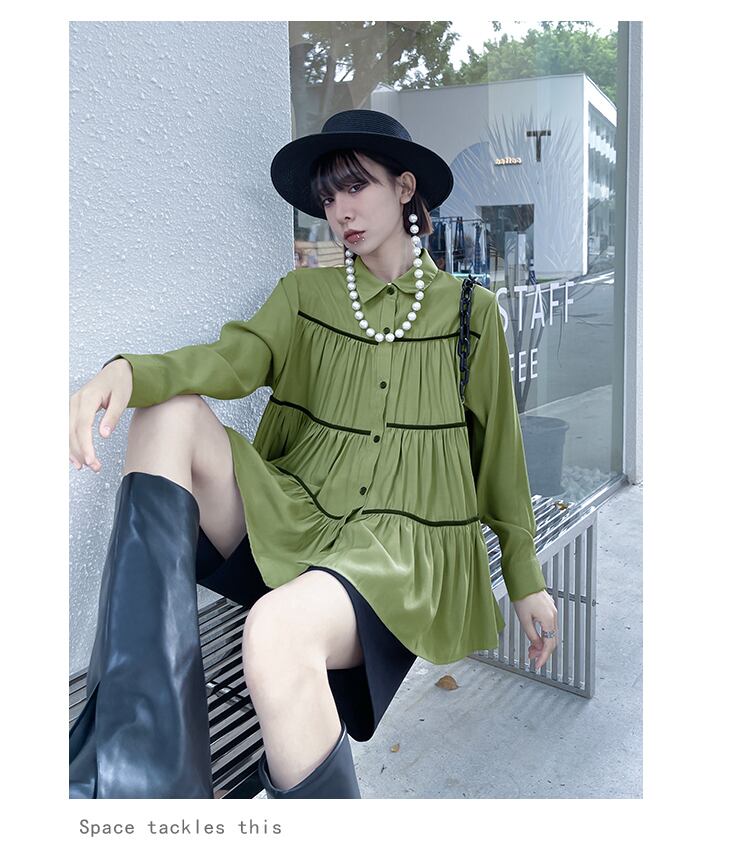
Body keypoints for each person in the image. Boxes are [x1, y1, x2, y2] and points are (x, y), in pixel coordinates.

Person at [68, 109, 558, 800]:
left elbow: (499, 454)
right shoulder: (305, 295)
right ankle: (135, 767)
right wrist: (130, 370)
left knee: (274, 632)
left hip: (403, 548)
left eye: (357, 186)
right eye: (329, 197)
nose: (340, 211)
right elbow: (232, 359)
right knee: (166, 411)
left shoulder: (471, 314)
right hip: (298, 517)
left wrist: (526, 576)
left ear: (406, 188)